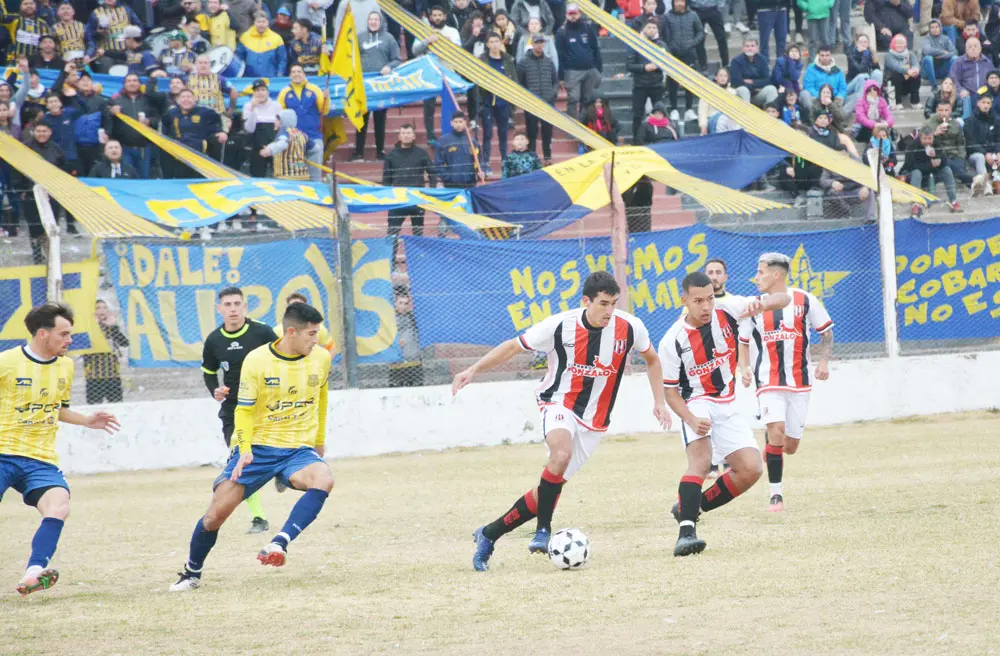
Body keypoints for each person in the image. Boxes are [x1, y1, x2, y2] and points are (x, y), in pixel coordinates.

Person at [458, 271, 670, 571]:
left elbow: (652, 359)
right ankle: (543, 530)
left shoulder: (630, 327)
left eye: (614, 304)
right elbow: (512, 346)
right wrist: (473, 370)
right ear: (586, 301)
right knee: (561, 454)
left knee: (546, 490)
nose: (610, 311)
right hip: (558, 402)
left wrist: (659, 401)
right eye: (603, 304)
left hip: (595, 421)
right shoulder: (558, 326)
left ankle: (489, 534)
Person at [171, 302, 334, 591]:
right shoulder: (257, 360)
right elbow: (243, 411)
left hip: (297, 448)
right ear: (291, 332)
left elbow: (321, 401)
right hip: (257, 447)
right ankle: (191, 572)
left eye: (317, 333)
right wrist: (244, 448)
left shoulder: (321, 358)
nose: (316, 339)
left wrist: (318, 441)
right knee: (215, 517)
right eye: (311, 334)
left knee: (324, 479)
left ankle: (279, 542)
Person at [661, 272, 788, 556]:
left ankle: (691, 507)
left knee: (752, 469)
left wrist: (762, 304)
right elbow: (670, 392)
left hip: (727, 403)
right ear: (684, 300)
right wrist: (691, 419)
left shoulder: (729, 309)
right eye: (698, 301)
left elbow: (784, 298)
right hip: (695, 401)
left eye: (709, 299)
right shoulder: (673, 341)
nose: (706, 307)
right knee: (701, 462)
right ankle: (686, 534)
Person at [1, 303, 121, 596]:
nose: (69, 340)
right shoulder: (6, 363)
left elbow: (57, 408)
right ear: (43, 334)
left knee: (59, 505)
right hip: (3, 452)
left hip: (40, 459)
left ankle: (34, 572)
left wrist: (87, 420)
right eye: (64, 334)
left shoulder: (65, 366)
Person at [736, 254, 833, 512]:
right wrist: (744, 369)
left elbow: (826, 332)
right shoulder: (754, 305)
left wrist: (823, 362)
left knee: (789, 446)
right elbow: (743, 343)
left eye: (760, 272)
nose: (756, 277)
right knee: (776, 429)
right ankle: (775, 495)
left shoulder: (805, 299)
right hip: (767, 380)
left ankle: (772, 448)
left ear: (776, 275)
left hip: (799, 381)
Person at [199, 287, 280, 536]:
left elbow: (281, 359)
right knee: (241, 460)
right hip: (234, 409)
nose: (233, 308)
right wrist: (216, 390)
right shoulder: (214, 340)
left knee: (277, 453)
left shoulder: (262, 332)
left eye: (237, 304)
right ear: (219, 309)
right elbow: (209, 372)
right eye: (228, 304)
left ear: (245, 307)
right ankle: (259, 517)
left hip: (265, 407)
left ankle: (283, 473)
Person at [382, 123, 436, 262]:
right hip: (398, 201)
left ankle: (418, 264)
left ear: (413, 136)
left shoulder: (422, 153)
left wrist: (431, 191)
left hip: (416, 200)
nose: (406, 136)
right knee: (392, 234)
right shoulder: (391, 155)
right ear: (399, 136)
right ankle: (391, 264)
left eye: (408, 133)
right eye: (403, 133)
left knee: (418, 234)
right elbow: (386, 180)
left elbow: (432, 174)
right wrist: (387, 199)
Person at [412, 6, 462, 143]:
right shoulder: (423, 31)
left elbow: (458, 51)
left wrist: (442, 40)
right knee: (429, 105)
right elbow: (415, 50)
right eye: (434, 15)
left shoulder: (452, 32)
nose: (437, 18)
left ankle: (452, 133)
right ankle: (430, 135)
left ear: (445, 17)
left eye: (439, 15)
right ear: (430, 17)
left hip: (447, 71)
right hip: (429, 72)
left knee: (450, 103)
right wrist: (428, 40)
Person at [277, 64, 329, 181]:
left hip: (314, 136)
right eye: (294, 72)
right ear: (290, 75)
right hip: (294, 140)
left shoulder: (314, 89)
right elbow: (279, 115)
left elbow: (324, 111)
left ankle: (316, 191)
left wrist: (327, 99)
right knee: (298, 171)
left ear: (304, 74)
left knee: (315, 172)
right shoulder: (284, 92)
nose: (297, 74)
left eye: (299, 71)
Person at [162, 88, 227, 177]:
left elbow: (217, 123)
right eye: (183, 97)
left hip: (198, 150)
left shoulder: (205, 112)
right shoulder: (171, 113)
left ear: (194, 99)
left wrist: (221, 132)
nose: (186, 99)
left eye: (189, 97)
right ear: (178, 100)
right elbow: (164, 125)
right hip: (178, 150)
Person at [555, 3, 602, 121]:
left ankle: (585, 123)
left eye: (575, 14)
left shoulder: (587, 28)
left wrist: (598, 69)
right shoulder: (562, 32)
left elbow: (595, 49)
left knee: (588, 98)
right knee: (573, 98)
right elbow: (559, 55)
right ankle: (573, 126)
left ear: (579, 14)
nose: (573, 17)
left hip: (590, 69)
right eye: (570, 14)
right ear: (566, 15)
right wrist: (561, 77)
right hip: (571, 71)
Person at [107, 74, 158, 178]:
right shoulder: (116, 100)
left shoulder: (148, 100)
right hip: (124, 147)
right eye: (129, 81)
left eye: (135, 81)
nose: (132, 83)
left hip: (144, 148)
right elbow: (106, 121)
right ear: (124, 84)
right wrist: (110, 112)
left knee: (144, 178)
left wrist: (149, 121)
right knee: (127, 178)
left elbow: (157, 119)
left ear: (139, 84)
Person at [517, 33, 559, 163]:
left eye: (542, 42)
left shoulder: (549, 61)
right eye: (537, 42)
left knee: (547, 131)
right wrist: (527, 98)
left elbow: (555, 81)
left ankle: (547, 157)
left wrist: (552, 94)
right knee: (532, 131)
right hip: (532, 103)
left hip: (547, 102)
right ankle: (533, 157)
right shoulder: (523, 62)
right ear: (532, 44)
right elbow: (520, 83)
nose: (540, 45)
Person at [906, 126, 964, 215]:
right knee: (916, 173)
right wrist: (930, 164)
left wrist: (939, 159)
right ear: (920, 138)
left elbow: (945, 160)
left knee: (947, 170)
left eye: (930, 138)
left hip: (933, 174)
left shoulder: (936, 144)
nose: (927, 141)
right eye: (925, 139)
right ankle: (916, 203)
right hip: (917, 176)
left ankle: (953, 201)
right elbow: (909, 166)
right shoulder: (913, 146)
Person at [81, 299, 130, 404]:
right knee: (94, 407)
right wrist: (95, 326)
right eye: (98, 308)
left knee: (116, 405)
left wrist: (113, 327)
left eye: (104, 308)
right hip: (94, 374)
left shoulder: (111, 327)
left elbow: (124, 343)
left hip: (112, 373)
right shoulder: (88, 328)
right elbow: (81, 344)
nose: (101, 311)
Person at [663, 0, 701, 121]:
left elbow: (700, 32)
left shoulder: (693, 15)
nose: (679, 3)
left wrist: (693, 43)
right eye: (677, 1)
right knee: (672, 82)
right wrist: (669, 46)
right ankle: (674, 109)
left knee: (689, 81)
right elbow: (664, 35)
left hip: (689, 53)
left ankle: (689, 109)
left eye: (682, 1)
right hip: (673, 54)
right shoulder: (667, 17)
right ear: (673, 3)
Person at [627, 20, 666, 139]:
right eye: (649, 27)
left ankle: (661, 138)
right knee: (637, 116)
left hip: (657, 85)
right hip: (640, 85)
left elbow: (669, 63)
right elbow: (629, 65)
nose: (652, 30)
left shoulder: (662, 45)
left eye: (654, 27)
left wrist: (659, 65)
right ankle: (637, 140)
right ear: (643, 29)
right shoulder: (636, 44)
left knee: (660, 114)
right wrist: (644, 67)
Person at [925, 98, 972, 184]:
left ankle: (970, 183)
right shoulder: (928, 124)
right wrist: (935, 134)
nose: (943, 113)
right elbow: (924, 143)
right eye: (941, 110)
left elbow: (961, 143)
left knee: (959, 165)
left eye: (946, 110)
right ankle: (972, 181)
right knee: (951, 166)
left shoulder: (955, 124)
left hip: (954, 154)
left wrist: (961, 156)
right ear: (936, 110)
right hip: (938, 155)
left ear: (950, 111)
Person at [84, 0, 141, 70]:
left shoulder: (126, 10)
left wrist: (137, 45)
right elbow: (90, 36)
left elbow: (139, 27)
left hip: (126, 52)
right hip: (105, 54)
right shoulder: (95, 13)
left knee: (132, 73)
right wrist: (98, 34)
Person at [435, 111, 484, 190]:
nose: (458, 124)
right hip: (450, 185)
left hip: (470, 183)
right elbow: (438, 163)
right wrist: (448, 177)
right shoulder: (443, 141)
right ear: (451, 123)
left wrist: (480, 173)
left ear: (465, 122)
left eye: (460, 122)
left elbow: (479, 162)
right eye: (456, 122)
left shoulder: (472, 142)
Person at [242, 78, 281, 177]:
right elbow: (249, 129)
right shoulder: (248, 106)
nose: (260, 93)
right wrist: (252, 109)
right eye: (257, 90)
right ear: (253, 93)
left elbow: (281, 127)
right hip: (257, 146)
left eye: (263, 90)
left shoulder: (276, 106)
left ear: (267, 92)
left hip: (274, 145)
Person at [964, 90, 999, 196]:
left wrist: (998, 152)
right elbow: (970, 142)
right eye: (983, 102)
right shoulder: (969, 121)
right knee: (980, 157)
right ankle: (986, 186)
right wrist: (985, 153)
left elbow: (998, 139)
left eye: (988, 103)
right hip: (975, 154)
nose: (986, 105)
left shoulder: (995, 121)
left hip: (993, 152)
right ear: (978, 103)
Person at [259, 108, 310, 180]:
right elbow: (314, 149)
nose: (274, 122)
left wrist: (268, 150)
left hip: (286, 176)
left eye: (277, 120)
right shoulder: (302, 134)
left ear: (283, 121)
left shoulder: (284, 131)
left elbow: (283, 144)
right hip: (303, 174)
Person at [950, 38, 993, 118]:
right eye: (970, 47)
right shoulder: (959, 62)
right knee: (967, 98)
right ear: (966, 49)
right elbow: (953, 78)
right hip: (967, 94)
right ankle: (968, 121)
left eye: (975, 46)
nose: (973, 48)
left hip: (984, 93)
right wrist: (961, 89)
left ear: (980, 49)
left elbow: (993, 78)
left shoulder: (987, 62)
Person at [730, 36, 779, 108]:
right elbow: (736, 81)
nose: (750, 48)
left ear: (757, 49)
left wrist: (753, 82)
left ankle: (770, 115)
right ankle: (746, 115)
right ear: (743, 48)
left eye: (752, 46)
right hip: (741, 92)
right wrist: (754, 87)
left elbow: (768, 80)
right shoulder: (736, 61)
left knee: (771, 89)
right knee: (744, 90)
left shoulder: (762, 60)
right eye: (747, 46)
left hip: (757, 93)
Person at [237, 11, 287, 77]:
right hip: (249, 79)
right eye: (258, 22)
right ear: (254, 23)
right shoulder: (245, 37)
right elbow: (239, 58)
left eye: (263, 22)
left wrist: (279, 74)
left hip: (271, 79)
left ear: (268, 23)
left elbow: (282, 60)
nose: (261, 25)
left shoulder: (277, 38)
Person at [389, 290, 423, 387]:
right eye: (400, 303)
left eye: (406, 303)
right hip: (396, 362)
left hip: (414, 361)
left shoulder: (414, 318)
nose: (403, 306)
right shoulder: (390, 318)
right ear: (395, 303)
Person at [1, 0, 51, 64]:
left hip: (37, 62)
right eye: (25, 4)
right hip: (15, 60)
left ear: (36, 6)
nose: (29, 6)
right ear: (20, 7)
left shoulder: (43, 24)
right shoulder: (12, 20)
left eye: (31, 3)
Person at [884, 33, 922, 109]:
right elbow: (896, 67)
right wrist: (908, 71)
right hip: (892, 85)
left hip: (905, 84)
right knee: (896, 74)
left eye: (902, 43)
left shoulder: (910, 54)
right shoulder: (889, 56)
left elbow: (915, 64)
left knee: (917, 75)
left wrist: (915, 69)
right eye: (897, 43)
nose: (900, 45)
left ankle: (915, 102)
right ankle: (897, 102)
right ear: (893, 44)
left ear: (905, 45)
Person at [690, 0, 728, 69]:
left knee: (721, 37)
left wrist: (720, 8)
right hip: (696, 9)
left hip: (713, 9)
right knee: (699, 39)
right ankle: (702, 64)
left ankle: (726, 63)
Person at [921, 19, 959, 89]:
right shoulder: (926, 38)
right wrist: (943, 52)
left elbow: (954, 52)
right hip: (927, 71)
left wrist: (943, 56)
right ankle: (934, 86)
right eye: (932, 27)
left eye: (936, 27)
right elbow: (927, 51)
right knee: (928, 58)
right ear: (929, 29)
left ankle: (948, 83)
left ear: (940, 28)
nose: (935, 29)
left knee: (955, 58)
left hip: (942, 69)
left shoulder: (946, 38)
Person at [52, 2, 86, 66]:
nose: (66, 11)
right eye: (62, 9)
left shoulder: (82, 26)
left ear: (73, 12)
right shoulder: (53, 28)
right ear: (58, 13)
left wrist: (88, 55)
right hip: (63, 61)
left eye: (68, 8)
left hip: (82, 60)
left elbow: (90, 42)